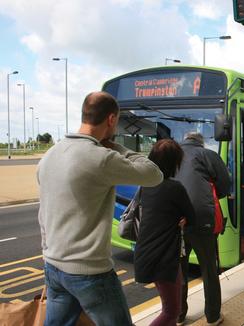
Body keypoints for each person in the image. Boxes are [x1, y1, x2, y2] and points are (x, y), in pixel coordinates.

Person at [37, 91, 163, 325]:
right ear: (111, 119)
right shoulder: (102, 158)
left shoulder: (49, 156)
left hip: (53, 266)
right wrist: (118, 148)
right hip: (90, 272)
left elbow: (43, 215)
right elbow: (154, 174)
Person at [135, 139, 195, 326]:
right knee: (172, 312)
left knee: (168, 308)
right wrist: (185, 219)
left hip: (145, 253)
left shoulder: (146, 186)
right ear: (174, 163)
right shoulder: (174, 188)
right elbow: (192, 216)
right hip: (164, 257)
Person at [175, 132, 230, 326]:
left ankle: (179, 316)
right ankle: (213, 316)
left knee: (178, 271)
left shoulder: (172, 154)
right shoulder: (208, 155)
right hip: (202, 220)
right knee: (208, 269)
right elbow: (225, 186)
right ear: (201, 142)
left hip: (175, 220)